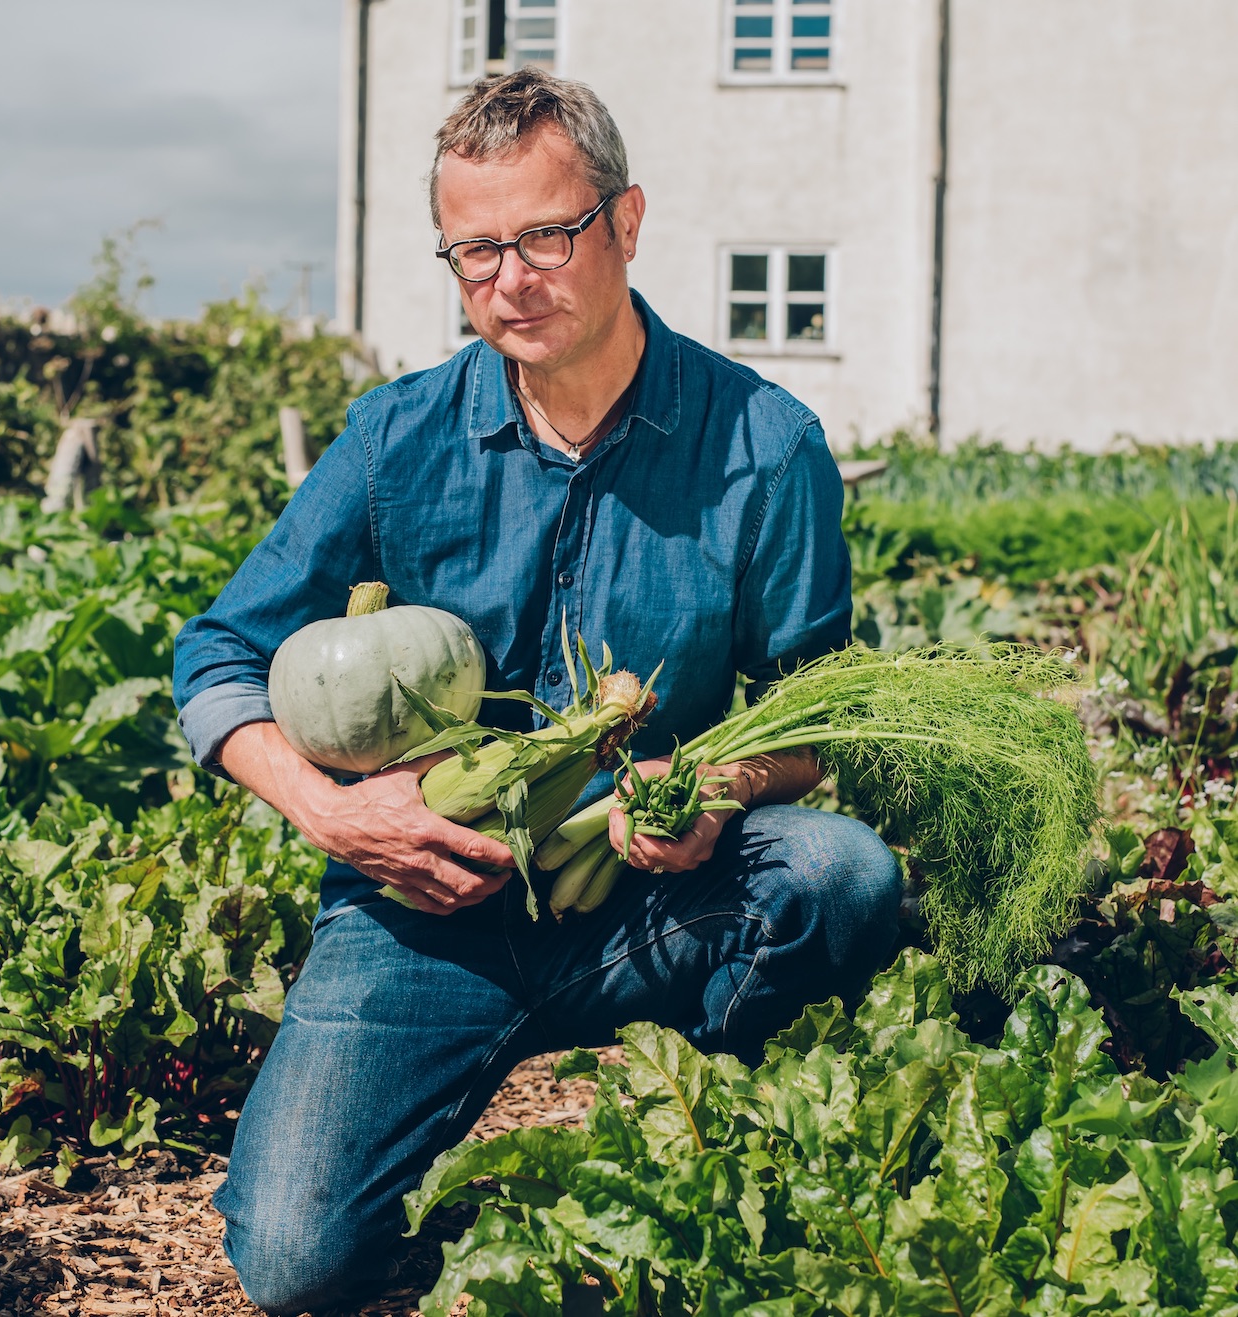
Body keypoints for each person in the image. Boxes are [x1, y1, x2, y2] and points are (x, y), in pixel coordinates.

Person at [173, 68, 901, 1315]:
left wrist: (715, 783)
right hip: (426, 908)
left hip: (647, 895)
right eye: (475, 252)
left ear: (625, 223)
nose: (512, 280)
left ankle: (719, 1123)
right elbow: (218, 655)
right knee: (297, 1265)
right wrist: (330, 812)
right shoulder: (397, 438)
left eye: (547, 235)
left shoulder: (764, 445)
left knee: (838, 874)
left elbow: (814, 712)